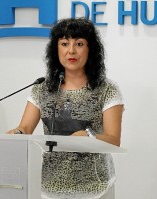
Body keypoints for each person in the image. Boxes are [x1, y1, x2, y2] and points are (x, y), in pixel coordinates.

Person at [8, 18, 124, 199]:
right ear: (56, 49)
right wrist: (16, 133)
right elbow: (25, 129)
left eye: (79, 43)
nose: (71, 50)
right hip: (52, 186)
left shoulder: (106, 89)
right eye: (64, 43)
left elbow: (113, 140)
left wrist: (88, 136)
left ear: (90, 49)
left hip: (95, 188)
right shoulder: (42, 88)